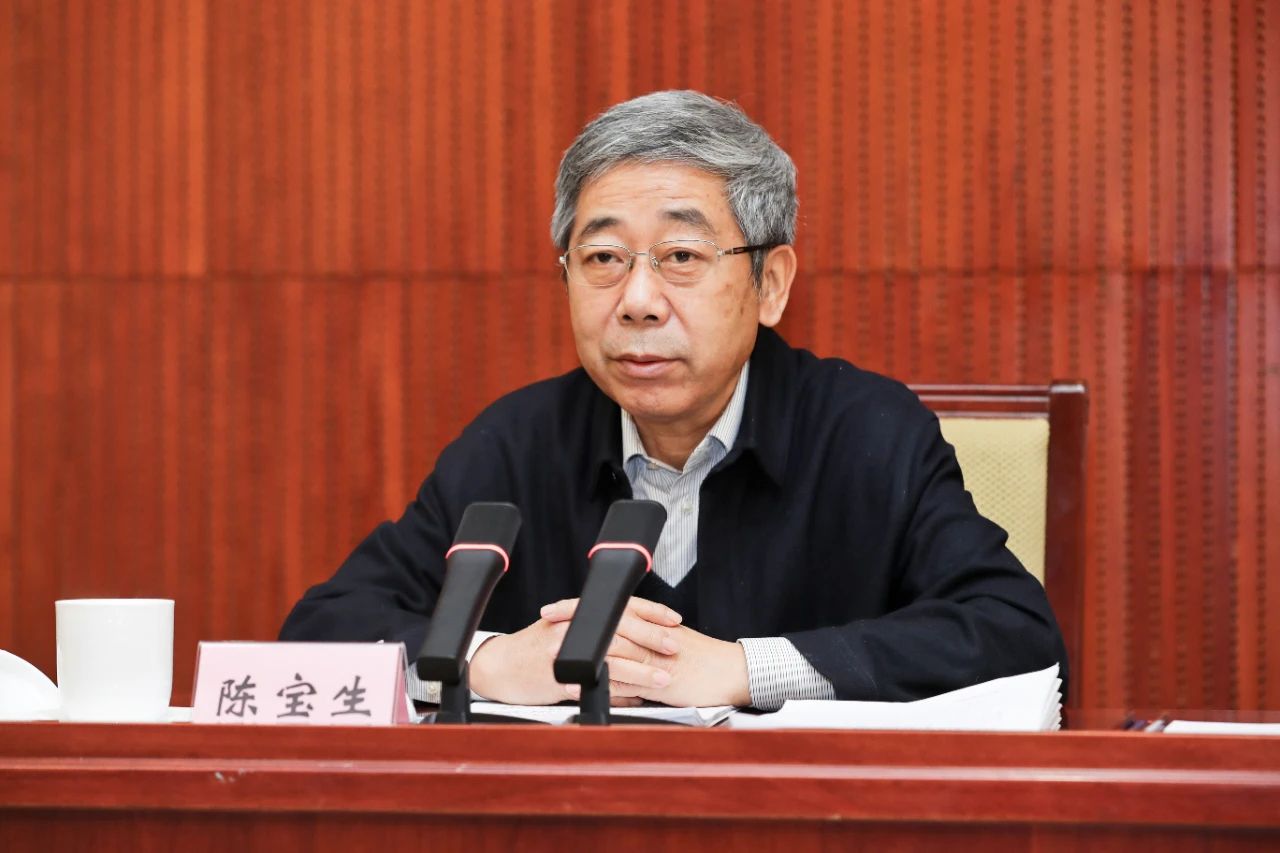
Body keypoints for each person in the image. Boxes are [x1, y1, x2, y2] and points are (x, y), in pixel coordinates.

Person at [279, 90, 1067, 710]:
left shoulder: (867, 434)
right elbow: (321, 631)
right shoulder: (516, 443)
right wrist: (485, 661)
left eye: (681, 255)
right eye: (603, 258)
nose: (637, 301)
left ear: (770, 283)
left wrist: (746, 669)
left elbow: (1015, 631)